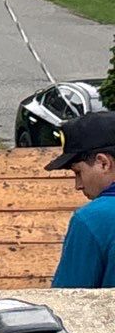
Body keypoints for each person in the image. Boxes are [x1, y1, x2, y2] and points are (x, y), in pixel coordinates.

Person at [47, 111, 115, 288]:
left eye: (78, 172)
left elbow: (66, 299)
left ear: (103, 163)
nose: (78, 185)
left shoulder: (93, 219)